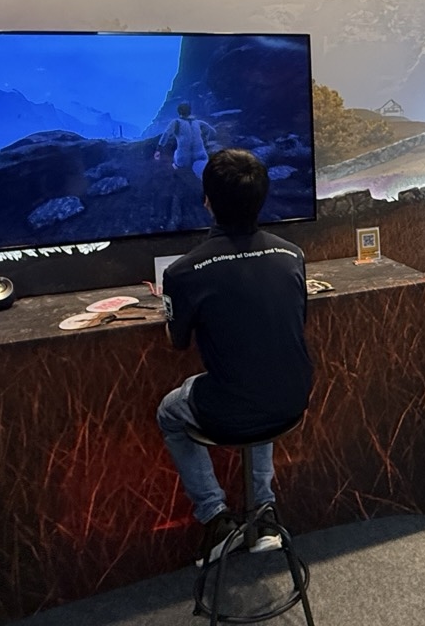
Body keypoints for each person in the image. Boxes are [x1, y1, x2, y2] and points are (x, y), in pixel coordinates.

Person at [155, 148, 313, 565]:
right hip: (294, 398)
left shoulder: (182, 272)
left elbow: (177, 342)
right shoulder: (292, 255)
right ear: (262, 197)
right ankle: (263, 513)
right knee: (258, 379)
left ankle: (215, 517)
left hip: (234, 408)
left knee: (169, 412)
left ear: (207, 200)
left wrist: (172, 309)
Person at [154, 102, 217, 178]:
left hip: (183, 158)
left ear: (179, 112)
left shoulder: (176, 122)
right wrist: (205, 141)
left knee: (176, 155)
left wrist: (158, 149)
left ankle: (176, 167)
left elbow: (166, 134)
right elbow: (212, 130)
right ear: (190, 111)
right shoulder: (198, 122)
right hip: (200, 155)